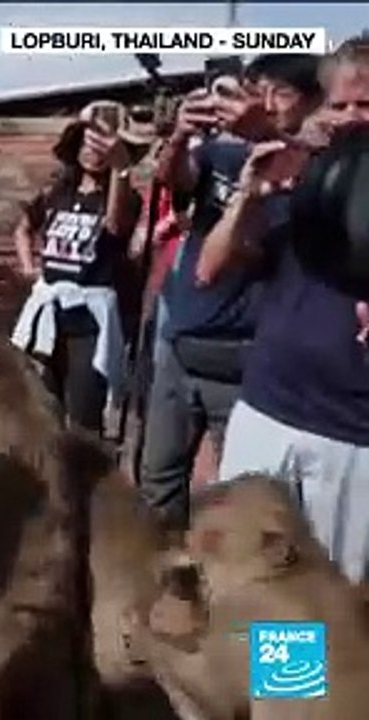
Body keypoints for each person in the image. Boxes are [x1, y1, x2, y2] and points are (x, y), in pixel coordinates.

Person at [206, 34, 369, 582]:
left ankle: (308, 673)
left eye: (365, 105)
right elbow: (212, 267)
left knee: (328, 594)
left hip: (350, 436)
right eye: (339, 105)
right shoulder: (309, 178)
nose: (349, 119)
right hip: (267, 409)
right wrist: (248, 193)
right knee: (244, 579)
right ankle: (265, 673)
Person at [137, 54, 323, 530]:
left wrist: (266, 138)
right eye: (256, 89)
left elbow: (245, 252)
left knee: (238, 500)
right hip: (181, 343)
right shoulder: (221, 154)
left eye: (279, 93)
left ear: (311, 103)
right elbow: (170, 178)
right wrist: (180, 133)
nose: (262, 102)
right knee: (157, 481)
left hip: (245, 357)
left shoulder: (309, 172)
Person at [10, 102, 144, 434]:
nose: (92, 151)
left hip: (89, 323)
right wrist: (30, 269)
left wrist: (120, 170)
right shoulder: (57, 191)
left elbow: (115, 226)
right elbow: (23, 228)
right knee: (42, 412)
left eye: (102, 145)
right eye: (87, 141)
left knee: (84, 418)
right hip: (48, 315)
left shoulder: (124, 195)